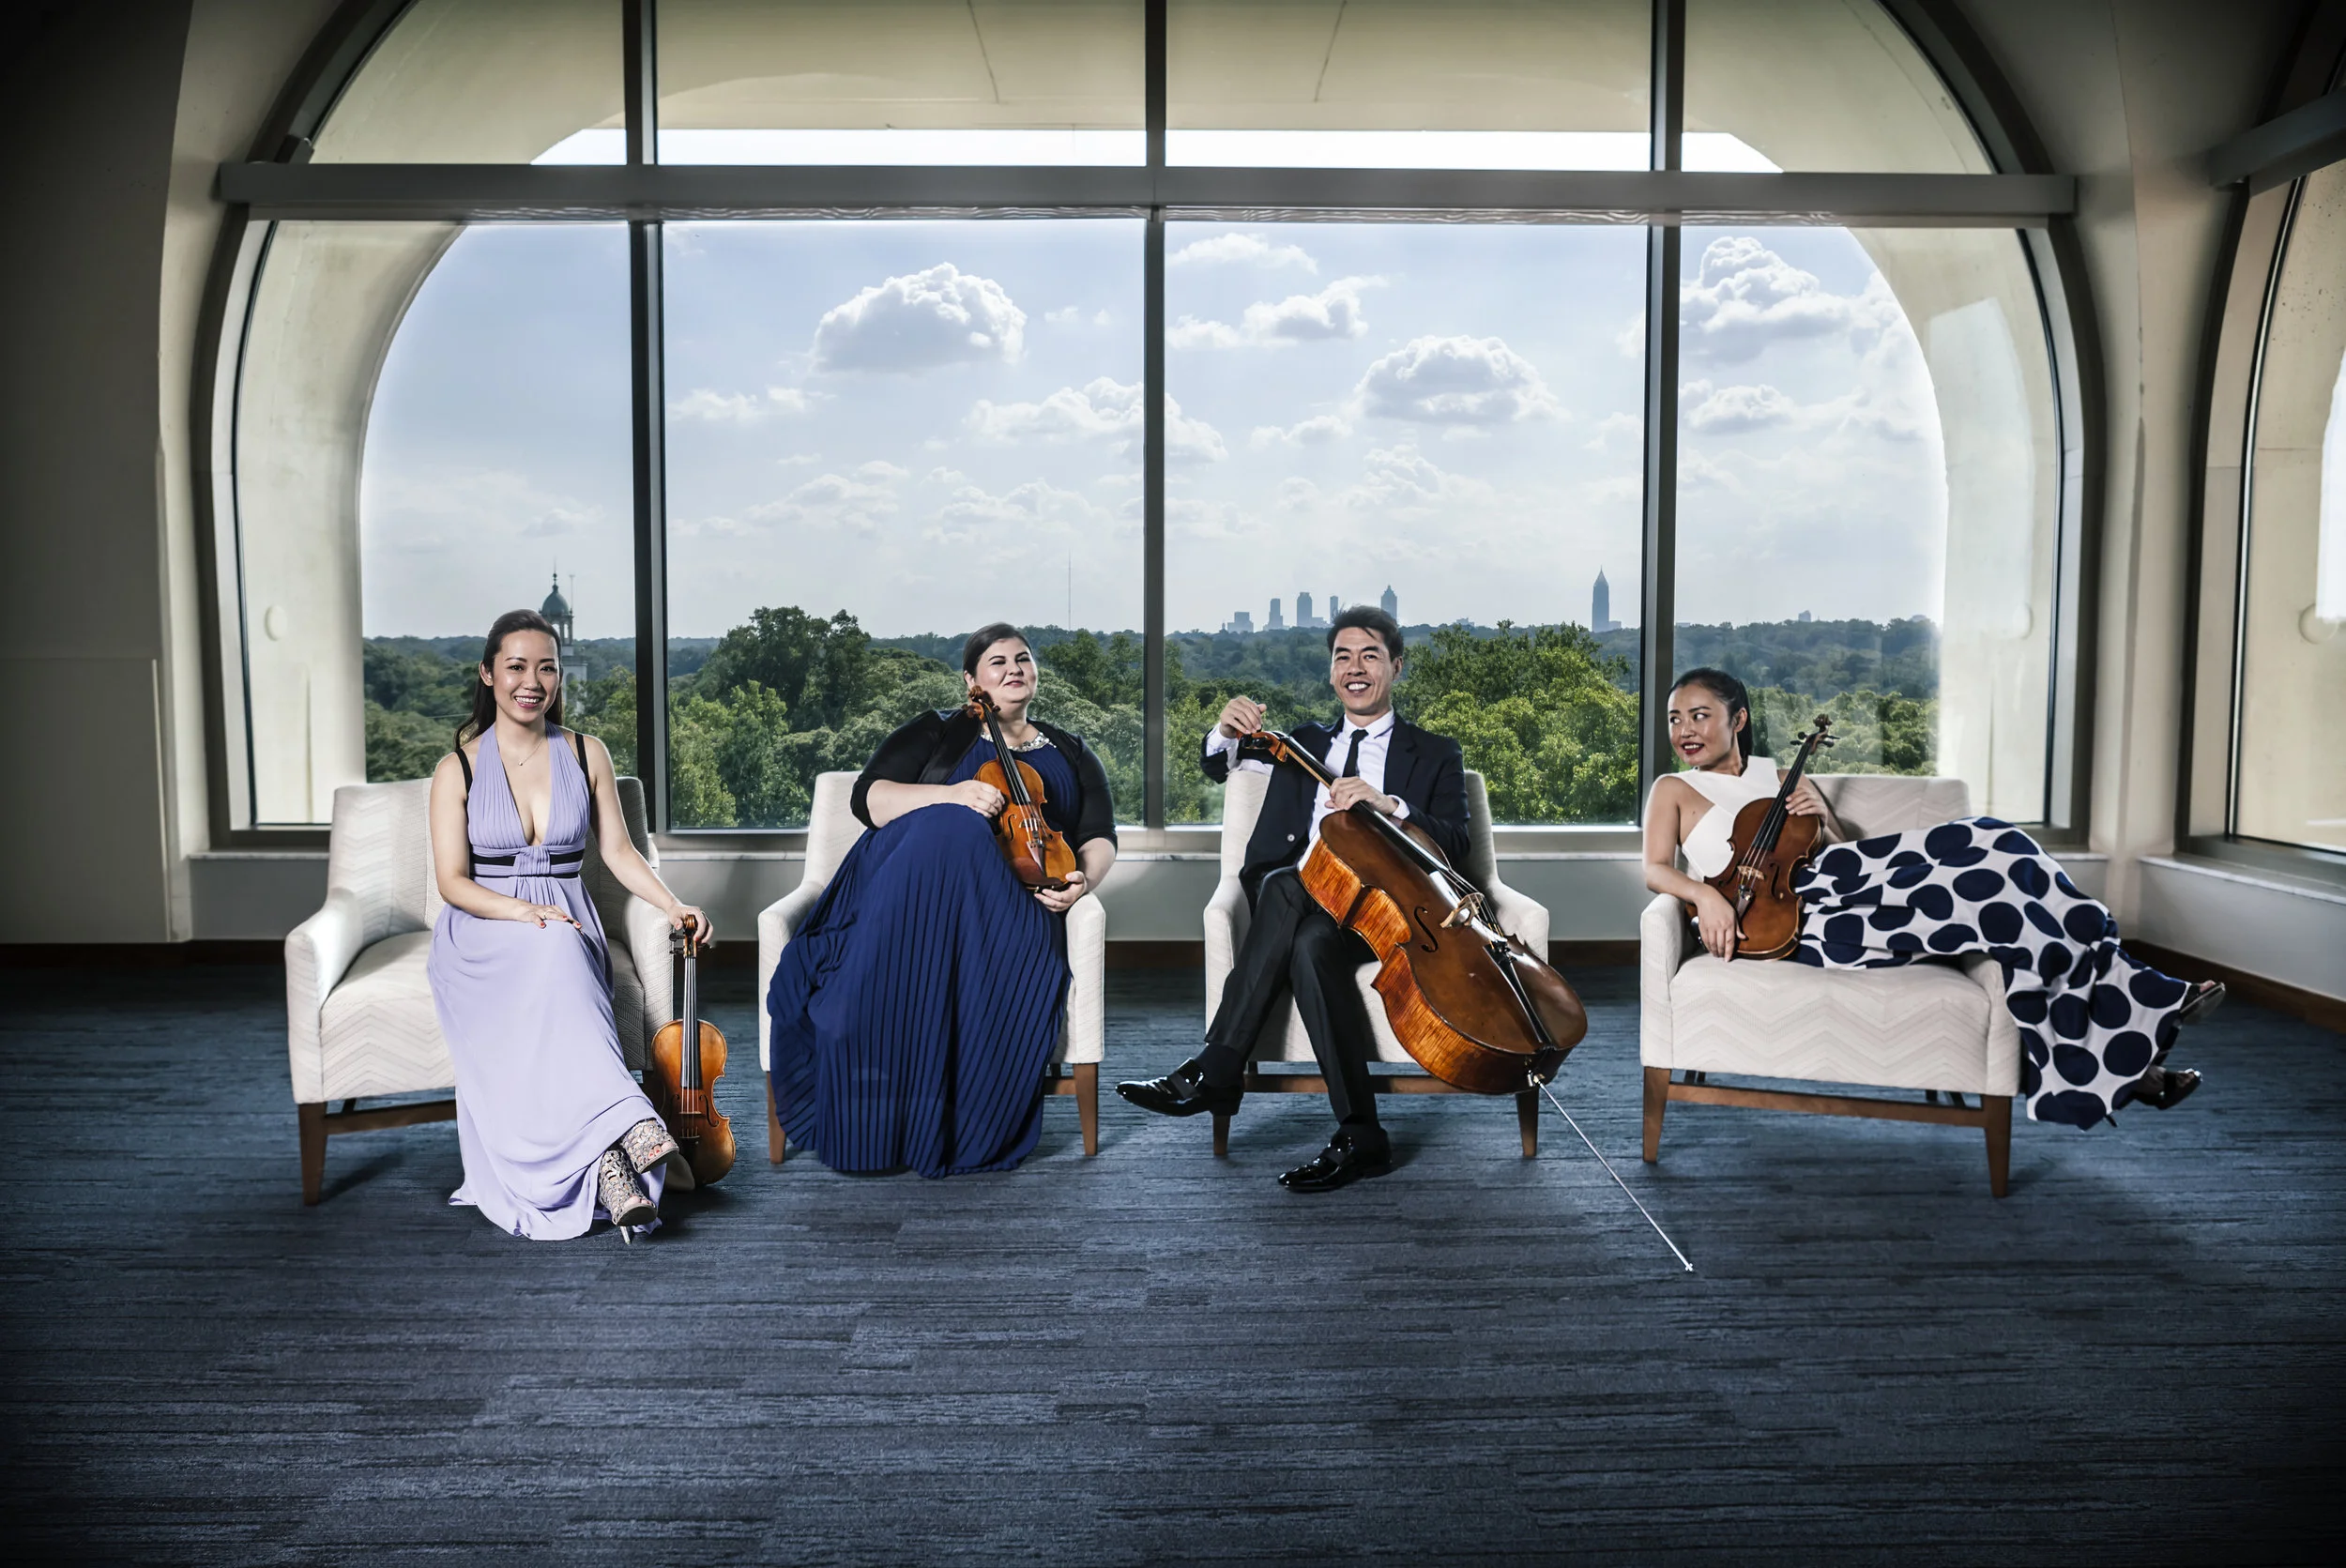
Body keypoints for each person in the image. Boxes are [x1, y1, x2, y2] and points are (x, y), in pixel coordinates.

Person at [1642, 667, 2220, 1128]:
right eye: (1675, 719)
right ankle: (2144, 1021)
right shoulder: (1673, 788)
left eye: (1700, 715)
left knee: (1997, 839)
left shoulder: (1781, 777)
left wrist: (1825, 819)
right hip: (1797, 921)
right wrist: (1704, 896)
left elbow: (1829, 850)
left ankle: (2117, 1051)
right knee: (1993, 892)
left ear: (1738, 719)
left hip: (1848, 879)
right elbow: (1655, 870)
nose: (1685, 730)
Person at [1118, 605, 1472, 1192]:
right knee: (1306, 936)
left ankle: (1219, 1066)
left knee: (1286, 886)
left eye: (1370, 655)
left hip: (1383, 915)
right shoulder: (1300, 743)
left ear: (1396, 667)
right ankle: (1362, 1135)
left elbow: (1457, 842)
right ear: (1331, 671)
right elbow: (1216, 764)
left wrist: (1390, 806)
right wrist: (1225, 729)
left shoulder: (1434, 752)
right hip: (1303, 915)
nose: (1354, 668)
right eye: (1342, 657)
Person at [765, 623, 1119, 1177]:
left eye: (1022, 659)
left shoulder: (1070, 751)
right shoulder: (936, 731)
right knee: (955, 829)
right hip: (913, 896)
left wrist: (1084, 882)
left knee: (970, 846)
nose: (1013, 670)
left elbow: (1099, 835)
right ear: (971, 679)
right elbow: (869, 799)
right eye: (997, 662)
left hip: (1012, 907)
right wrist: (950, 797)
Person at [427, 609, 714, 1241]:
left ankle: (611, 1169)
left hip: (564, 916)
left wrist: (673, 905)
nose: (533, 681)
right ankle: (635, 1124)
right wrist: (524, 910)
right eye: (516, 666)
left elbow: (618, 852)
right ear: (487, 673)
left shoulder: (587, 752)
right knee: (556, 941)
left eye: (547, 667)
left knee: (562, 946)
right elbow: (452, 881)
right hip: (483, 929)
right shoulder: (459, 767)